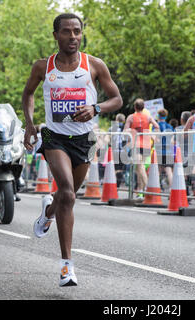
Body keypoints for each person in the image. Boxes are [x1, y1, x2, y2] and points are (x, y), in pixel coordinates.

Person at [22, 13, 123, 287]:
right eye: (66, 32)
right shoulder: (43, 67)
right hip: (55, 137)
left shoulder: (94, 65)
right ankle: (67, 265)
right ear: (55, 35)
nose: (73, 37)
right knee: (66, 191)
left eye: (77, 31)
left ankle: (49, 212)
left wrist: (95, 108)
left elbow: (117, 99)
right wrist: (30, 125)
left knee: (68, 197)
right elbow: (28, 93)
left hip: (85, 139)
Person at [124, 98, 159, 199]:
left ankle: (149, 188)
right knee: (139, 168)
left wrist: (131, 132)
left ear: (135, 107)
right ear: (143, 107)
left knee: (140, 167)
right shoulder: (148, 117)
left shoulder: (131, 117)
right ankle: (141, 192)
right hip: (147, 144)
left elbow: (125, 130)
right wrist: (154, 137)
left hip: (136, 144)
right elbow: (156, 126)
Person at [156, 108, 174, 190]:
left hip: (159, 151)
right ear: (166, 116)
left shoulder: (156, 126)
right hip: (168, 151)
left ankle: (155, 189)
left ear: (158, 116)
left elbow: (156, 139)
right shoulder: (170, 126)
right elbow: (172, 141)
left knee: (157, 171)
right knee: (169, 171)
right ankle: (172, 189)